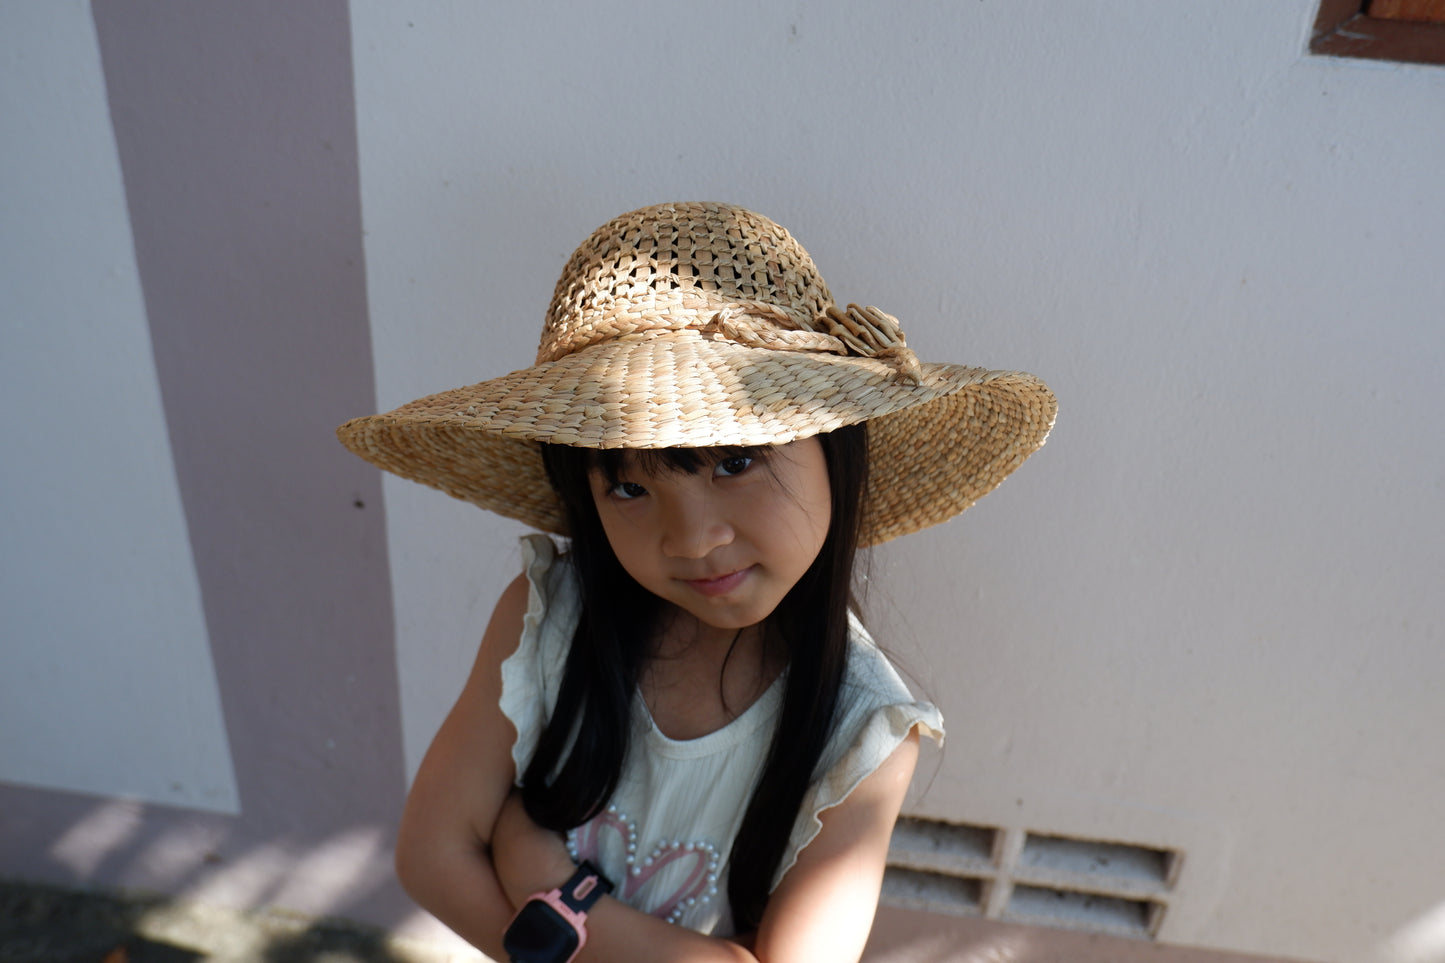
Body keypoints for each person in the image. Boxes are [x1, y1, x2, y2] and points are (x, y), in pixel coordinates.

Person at [336, 201, 1056, 962]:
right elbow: (431, 856)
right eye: (626, 486)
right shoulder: (549, 615)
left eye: (733, 461)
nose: (691, 540)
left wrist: (545, 883)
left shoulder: (864, 734)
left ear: (833, 447)